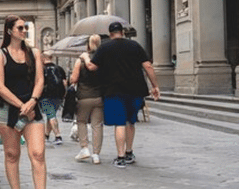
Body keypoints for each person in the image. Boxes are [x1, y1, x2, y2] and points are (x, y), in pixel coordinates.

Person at [0, 15, 54, 189]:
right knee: (12, 155)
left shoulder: (33, 53)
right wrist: (21, 105)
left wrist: (32, 101)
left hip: (32, 109)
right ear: (9, 30)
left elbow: (40, 79)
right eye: (20, 27)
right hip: (7, 110)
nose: (24, 30)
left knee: (38, 153)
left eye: (25, 27)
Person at [83, 21, 161, 168]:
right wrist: (155, 86)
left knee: (119, 123)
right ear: (122, 33)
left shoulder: (104, 47)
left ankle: (120, 157)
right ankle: (129, 152)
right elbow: (148, 66)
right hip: (135, 89)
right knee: (131, 122)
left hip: (114, 90)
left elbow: (92, 67)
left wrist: (86, 58)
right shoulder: (135, 46)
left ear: (110, 34)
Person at [70, 34, 104, 164]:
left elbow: (74, 79)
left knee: (82, 121)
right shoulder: (103, 59)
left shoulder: (81, 60)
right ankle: (96, 154)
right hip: (99, 96)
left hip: (84, 96)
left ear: (88, 44)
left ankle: (84, 148)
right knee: (97, 125)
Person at [40, 51, 66, 145]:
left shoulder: (42, 69)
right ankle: (46, 135)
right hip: (58, 96)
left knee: (51, 115)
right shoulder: (59, 68)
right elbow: (64, 83)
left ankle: (58, 136)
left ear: (43, 58)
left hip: (46, 95)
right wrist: (63, 94)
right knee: (51, 115)